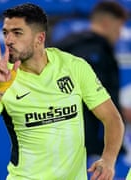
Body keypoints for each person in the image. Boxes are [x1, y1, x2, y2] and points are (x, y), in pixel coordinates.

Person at [0, 2, 124, 180]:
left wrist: (108, 159)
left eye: (17, 33)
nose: (8, 40)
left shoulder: (74, 67)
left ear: (39, 39)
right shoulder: (0, 79)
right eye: (5, 33)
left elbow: (112, 118)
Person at [53, 1, 127, 160]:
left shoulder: (65, 47)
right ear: (107, 23)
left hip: (59, 139)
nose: (120, 35)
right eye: (119, 27)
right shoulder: (96, 53)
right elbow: (99, 99)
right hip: (85, 142)